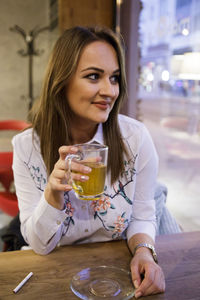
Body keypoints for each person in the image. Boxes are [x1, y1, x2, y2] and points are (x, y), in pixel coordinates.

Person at [12, 26, 165, 298]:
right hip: (59, 271)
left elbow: (142, 216)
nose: (109, 90)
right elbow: (39, 245)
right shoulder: (27, 148)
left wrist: (145, 251)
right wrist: (53, 193)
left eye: (115, 78)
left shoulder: (135, 138)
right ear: (62, 81)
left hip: (116, 270)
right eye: (94, 76)